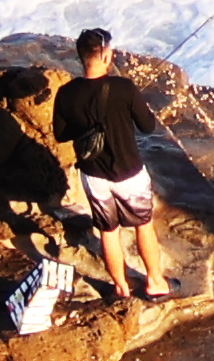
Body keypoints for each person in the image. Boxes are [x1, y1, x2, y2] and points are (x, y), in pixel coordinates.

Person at [51, 28, 180, 300]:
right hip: (129, 173)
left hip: (94, 175)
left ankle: (121, 288)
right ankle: (155, 283)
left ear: (81, 57)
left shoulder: (66, 93)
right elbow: (147, 126)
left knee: (108, 232)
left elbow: (61, 134)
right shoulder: (124, 89)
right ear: (107, 56)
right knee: (143, 225)